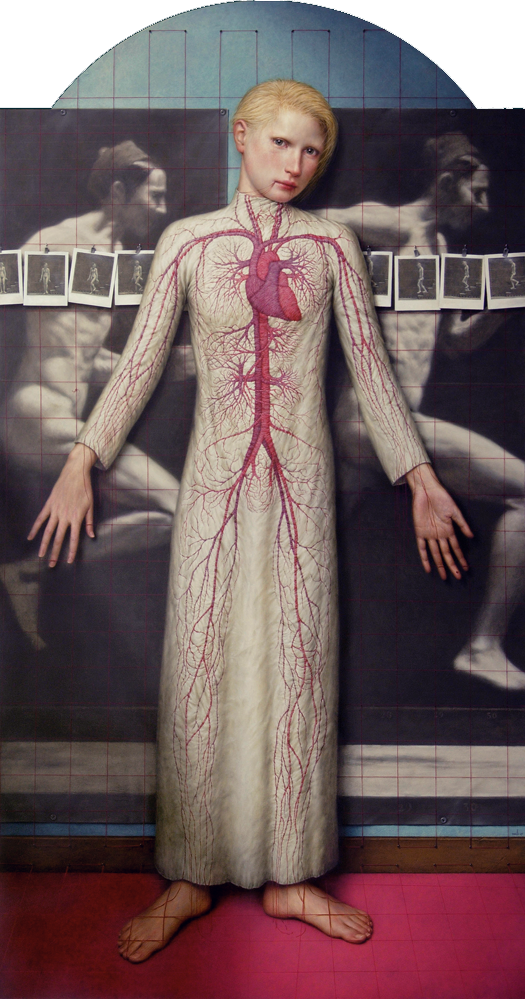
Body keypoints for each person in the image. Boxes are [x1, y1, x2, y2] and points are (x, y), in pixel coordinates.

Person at [29, 80, 471, 962]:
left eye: (310, 151)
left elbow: (373, 376)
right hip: (213, 488)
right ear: (241, 137)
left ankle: (292, 875)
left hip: (301, 491)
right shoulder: (189, 243)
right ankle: (190, 874)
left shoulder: (332, 246)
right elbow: (138, 365)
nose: (294, 165)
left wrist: (419, 477)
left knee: (299, 668)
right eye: (278, 144)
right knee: (197, 668)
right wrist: (81, 463)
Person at [319, 133, 525, 690]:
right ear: (446, 182)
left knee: (305, 555)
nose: (484, 207)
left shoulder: (442, 253)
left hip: (376, 434)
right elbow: (303, 227)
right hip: (375, 423)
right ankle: (482, 646)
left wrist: (507, 303)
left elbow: (454, 343)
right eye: (477, 193)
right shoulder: (393, 224)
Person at [1, 141, 185, 648]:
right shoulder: (58, 241)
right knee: (179, 506)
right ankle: (33, 570)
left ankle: (32, 570)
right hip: (36, 415)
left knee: (174, 512)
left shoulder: (116, 260)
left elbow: (85, 357)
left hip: (66, 424)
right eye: (155, 196)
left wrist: (164, 366)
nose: (162, 209)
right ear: (119, 192)